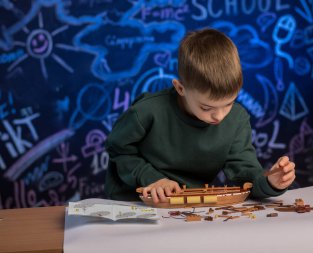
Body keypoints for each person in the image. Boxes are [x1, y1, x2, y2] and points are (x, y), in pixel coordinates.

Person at [105, 28, 296, 203]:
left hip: (189, 205)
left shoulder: (237, 119)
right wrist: (152, 179)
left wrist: (269, 182)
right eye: (206, 107)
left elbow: (244, 175)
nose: (219, 116)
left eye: (229, 103)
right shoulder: (146, 111)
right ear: (180, 88)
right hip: (134, 201)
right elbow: (118, 149)